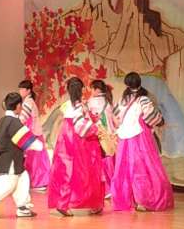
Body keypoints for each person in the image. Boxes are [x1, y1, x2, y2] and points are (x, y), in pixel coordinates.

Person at [111, 72, 174, 212]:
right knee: (143, 167)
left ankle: (128, 200)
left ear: (127, 84)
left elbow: (115, 116)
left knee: (124, 168)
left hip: (124, 138)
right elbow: (151, 116)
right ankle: (145, 200)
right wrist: (161, 121)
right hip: (139, 137)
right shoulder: (143, 99)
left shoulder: (123, 100)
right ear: (139, 82)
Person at [0, 92, 42, 219]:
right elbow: (24, 139)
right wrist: (39, 145)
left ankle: (22, 207)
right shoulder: (14, 122)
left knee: (23, 178)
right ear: (18, 106)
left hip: (10, 157)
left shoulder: (2, 121)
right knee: (7, 184)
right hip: (11, 159)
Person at [48, 77, 104, 216]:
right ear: (82, 89)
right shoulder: (79, 106)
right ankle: (92, 203)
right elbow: (81, 127)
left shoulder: (67, 105)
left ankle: (63, 203)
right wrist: (95, 129)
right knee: (86, 171)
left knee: (65, 172)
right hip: (78, 142)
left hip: (64, 139)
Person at [18, 79, 51, 193]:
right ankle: (38, 182)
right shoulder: (29, 101)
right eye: (20, 89)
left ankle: (38, 182)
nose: (20, 91)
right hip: (34, 132)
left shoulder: (28, 102)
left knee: (34, 159)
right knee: (37, 159)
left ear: (28, 90)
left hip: (32, 133)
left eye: (22, 89)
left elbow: (23, 118)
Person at [88, 79, 117, 200]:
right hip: (110, 135)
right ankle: (114, 187)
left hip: (99, 135)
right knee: (110, 161)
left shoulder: (92, 101)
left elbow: (90, 118)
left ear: (96, 89)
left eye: (91, 89)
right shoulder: (108, 101)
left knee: (99, 162)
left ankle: (106, 189)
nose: (90, 91)